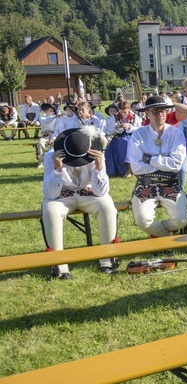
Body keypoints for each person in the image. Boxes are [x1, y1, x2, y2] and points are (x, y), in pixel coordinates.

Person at [42, 127, 119, 279]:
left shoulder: (95, 154)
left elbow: (101, 192)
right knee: (50, 209)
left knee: (107, 207)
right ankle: (59, 265)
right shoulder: (51, 156)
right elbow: (50, 194)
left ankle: (108, 259)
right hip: (62, 196)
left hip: (89, 193)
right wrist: (57, 170)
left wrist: (99, 167)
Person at [127, 96, 187, 237]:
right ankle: (167, 237)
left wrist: (148, 159)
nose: (159, 115)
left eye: (162, 111)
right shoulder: (138, 134)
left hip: (170, 184)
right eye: (155, 112)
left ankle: (161, 231)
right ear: (147, 113)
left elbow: (176, 165)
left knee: (182, 220)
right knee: (142, 221)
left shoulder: (176, 133)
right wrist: (163, 163)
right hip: (145, 185)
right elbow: (136, 167)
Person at [105, 100, 141, 178]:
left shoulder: (134, 116)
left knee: (124, 143)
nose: (123, 114)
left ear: (128, 109)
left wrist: (130, 127)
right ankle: (115, 169)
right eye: (121, 112)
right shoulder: (115, 116)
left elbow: (139, 129)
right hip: (119, 135)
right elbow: (109, 131)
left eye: (124, 112)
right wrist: (116, 128)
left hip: (132, 135)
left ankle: (129, 168)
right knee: (110, 148)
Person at [36, 103, 59, 168]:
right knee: (40, 143)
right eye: (50, 111)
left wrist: (53, 137)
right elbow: (46, 122)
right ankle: (41, 162)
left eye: (53, 111)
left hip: (54, 135)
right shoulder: (42, 118)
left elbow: (57, 128)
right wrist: (55, 116)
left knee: (55, 145)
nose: (52, 112)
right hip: (45, 135)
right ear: (45, 111)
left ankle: (54, 161)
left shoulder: (56, 118)